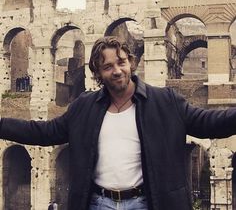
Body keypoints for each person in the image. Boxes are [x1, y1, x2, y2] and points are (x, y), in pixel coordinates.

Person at [0, 36, 236, 210]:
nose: (117, 70)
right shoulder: (85, 107)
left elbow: (209, 123)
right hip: (99, 203)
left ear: (131, 63)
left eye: (121, 62)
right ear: (98, 73)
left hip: (147, 202)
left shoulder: (165, 101)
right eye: (107, 66)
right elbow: (44, 132)